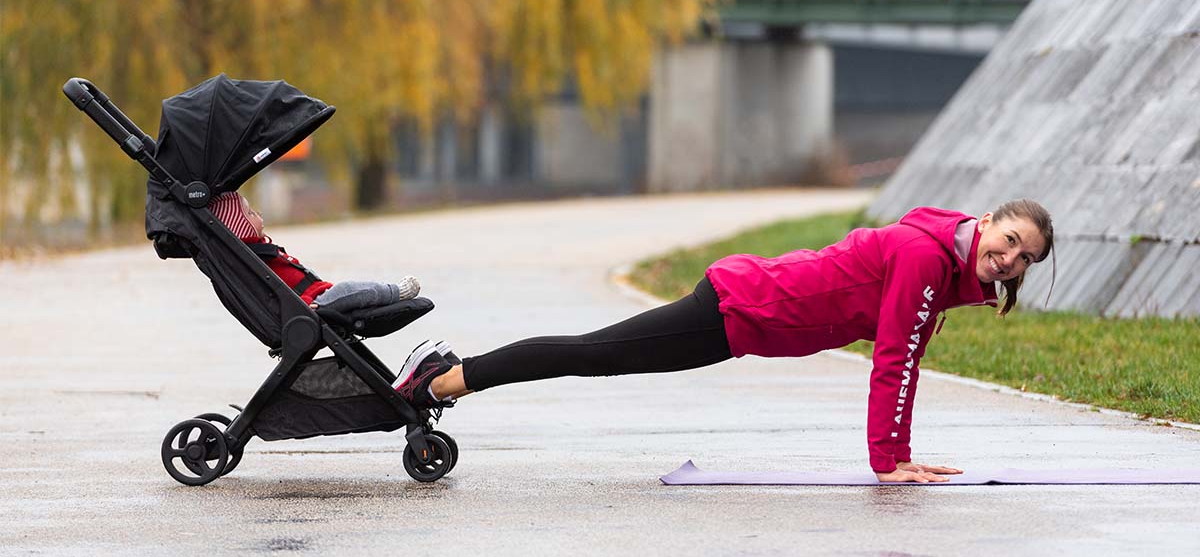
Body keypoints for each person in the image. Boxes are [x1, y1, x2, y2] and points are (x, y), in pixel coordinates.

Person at [392, 199, 1056, 484]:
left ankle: (451, 374)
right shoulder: (923, 256)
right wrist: (890, 458)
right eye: (1008, 241)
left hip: (745, 320)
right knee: (592, 352)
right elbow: (896, 359)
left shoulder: (942, 262)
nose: (1008, 259)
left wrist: (896, 453)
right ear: (989, 220)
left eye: (1022, 258)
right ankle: (448, 376)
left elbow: (900, 352)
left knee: (596, 355)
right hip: (743, 305)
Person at [207, 191, 421, 313]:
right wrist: (307, 301)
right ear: (240, 226)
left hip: (312, 297)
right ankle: (394, 292)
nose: (258, 212)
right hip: (307, 306)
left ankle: (389, 293)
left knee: (347, 288)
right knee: (348, 289)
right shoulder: (253, 257)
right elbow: (276, 290)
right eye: (250, 213)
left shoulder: (258, 251)